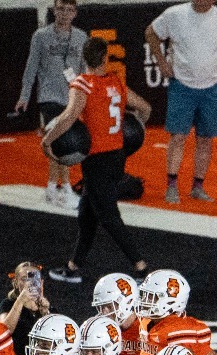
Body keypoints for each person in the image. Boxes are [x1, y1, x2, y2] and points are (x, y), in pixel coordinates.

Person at [42, 37, 150, 285]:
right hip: (116, 157)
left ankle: (142, 268)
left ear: (84, 57)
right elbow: (145, 109)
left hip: (97, 160)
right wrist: (130, 130)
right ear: (105, 58)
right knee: (86, 214)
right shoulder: (116, 83)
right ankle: (73, 266)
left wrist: (47, 141)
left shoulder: (83, 84)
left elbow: (68, 117)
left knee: (109, 217)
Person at [147, 0, 217, 205]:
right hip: (182, 85)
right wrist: (161, 62)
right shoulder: (174, 14)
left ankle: (198, 187)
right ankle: (172, 185)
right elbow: (151, 33)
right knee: (178, 137)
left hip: (212, 88)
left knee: (206, 139)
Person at [15, 0, 86, 207]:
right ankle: (65, 187)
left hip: (71, 97)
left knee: (57, 143)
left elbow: (83, 70)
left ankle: (51, 187)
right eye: (61, 9)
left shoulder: (81, 37)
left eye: (69, 9)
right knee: (63, 142)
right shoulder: (41, 36)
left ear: (75, 13)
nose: (64, 13)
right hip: (49, 97)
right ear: (54, 10)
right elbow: (31, 67)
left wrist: (85, 98)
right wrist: (24, 95)